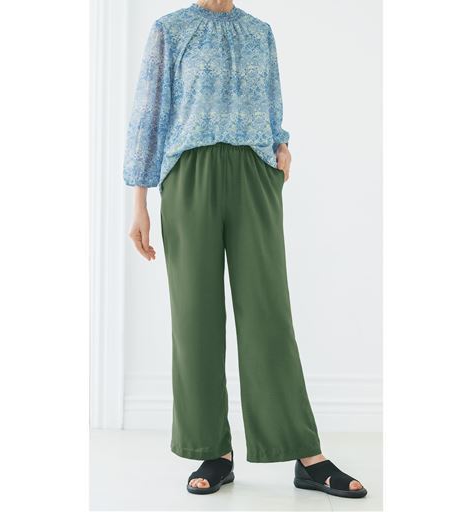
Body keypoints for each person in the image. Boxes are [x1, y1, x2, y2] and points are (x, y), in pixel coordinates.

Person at [123, 0, 366, 499]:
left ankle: (306, 454)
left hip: (255, 176)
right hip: (189, 176)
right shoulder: (171, 30)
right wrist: (139, 204)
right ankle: (213, 449)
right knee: (195, 316)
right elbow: (149, 114)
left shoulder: (260, 32)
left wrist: (281, 144)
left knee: (267, 312)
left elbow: (272, 105)